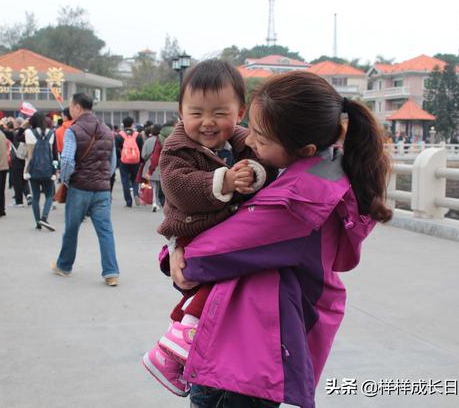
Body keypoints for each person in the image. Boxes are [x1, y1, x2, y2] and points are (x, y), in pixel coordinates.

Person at [162, 71, 392, 407]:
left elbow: (204, 258)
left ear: (304, 148)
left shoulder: (299, 201)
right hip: (257, 344)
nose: (250, 142)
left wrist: (176, 251)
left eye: (261, 137)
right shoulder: (324, 170)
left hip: (245, 358)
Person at [142, 59, 270, 397]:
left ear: (240, 111)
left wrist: (253, 174)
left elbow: (265, 164)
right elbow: (176, 185)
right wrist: (226, 179)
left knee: (215, 288)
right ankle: (176, 342)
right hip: (191, 226)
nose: (208, 122)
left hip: (220, 231)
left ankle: (176, 345)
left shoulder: (244, 142)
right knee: (210, 284)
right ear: (181, 111)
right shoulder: (177, 146)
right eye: (197, 113)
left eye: (219, 112)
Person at [50, 93, 121, 287]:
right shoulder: (107, 130)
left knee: (72, 229)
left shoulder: (74, 130)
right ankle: (111, 272)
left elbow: (66, 160)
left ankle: (64, 266)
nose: (70, 109)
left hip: (80, 187)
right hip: (102, 188)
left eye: (71, 106)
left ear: (77, 107)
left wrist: (65, 180)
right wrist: (104, 178)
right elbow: (112, 161)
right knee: (105, 231)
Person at [24, 112, 57, 231]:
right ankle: (44, 217)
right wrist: (55, 170)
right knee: (49, 195)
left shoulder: (28, 132)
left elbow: (23, 147)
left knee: (35, 197)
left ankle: (38, 222)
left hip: (32, 169)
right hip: (48, 170)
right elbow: (54, 154)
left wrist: (26, 124)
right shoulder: (52, 133)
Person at [115, 116, 144, 207]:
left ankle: (128, 201)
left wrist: (119, 159)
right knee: (135, 179)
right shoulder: (137, 135)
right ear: (132, 124)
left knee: (125, 181)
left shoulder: (119, 135)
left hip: (123, 161)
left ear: (123, 124)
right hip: (135, 161)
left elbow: (116, 149)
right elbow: (141, 148)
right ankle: (136, 194)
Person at [140, 124, 164, 212]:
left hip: (150, 165)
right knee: (158, 186)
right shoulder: (162, 140)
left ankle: (154, 201)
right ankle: (156, 201)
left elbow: (143, 155)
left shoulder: (148, 141)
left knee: (152, 185)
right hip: (160, 164)